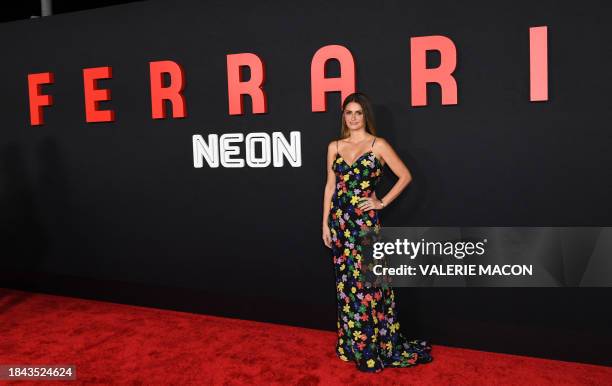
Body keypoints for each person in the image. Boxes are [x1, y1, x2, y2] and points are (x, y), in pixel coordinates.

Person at [321, 92, 433, 373]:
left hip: (366, 225)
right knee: (347, 288)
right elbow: (330, 187)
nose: (354, 118)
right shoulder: (334, 146)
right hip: (340, 225)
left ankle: (377, 345)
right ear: (343, 116)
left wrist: (380, 202)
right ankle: (353, 345)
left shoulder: (378, 144)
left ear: (365, 115)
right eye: (349, 112)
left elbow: (405, 175)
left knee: (371, 285)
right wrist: (324, 223)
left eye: (358, 112)